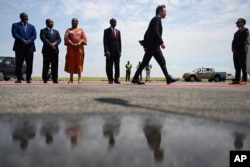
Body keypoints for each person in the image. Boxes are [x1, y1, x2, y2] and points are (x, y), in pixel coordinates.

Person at [131, 5, 178, 85]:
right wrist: (161, 42)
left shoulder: (155, 19)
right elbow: (156, 31)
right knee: (159, 61)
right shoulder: (157, 19)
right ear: (160, 11)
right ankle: (168, 78)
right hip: (154, 46)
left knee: (148, 62)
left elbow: (146, 34)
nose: (166, 13)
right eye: (165, 11)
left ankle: (135, 78)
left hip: (152, 46)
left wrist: (145, 46)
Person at [11, 12, 37, 83]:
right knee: (19, 63)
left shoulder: (32, 26)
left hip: (29, 47)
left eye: (27, 17)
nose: (26, 18)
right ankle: (19, 79)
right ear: (21, 17)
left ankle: (28, 78)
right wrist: (23, 41)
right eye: (24, 17)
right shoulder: (15, 25)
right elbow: (14, 34)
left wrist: (28, 41)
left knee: (29, 63)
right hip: (19, 47)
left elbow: (34, 36)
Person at [64, 18, 87, 84]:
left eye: (76, 21)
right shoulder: (68, 30)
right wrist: (72, 44)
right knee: (71, 62)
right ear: (71, 22)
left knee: (79, 63)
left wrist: (79, 43)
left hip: (79, 49)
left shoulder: (81, 30)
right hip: (71, 49)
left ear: (78, 22)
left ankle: (79, 78)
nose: (74, 22)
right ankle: (71, 78)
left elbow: (84, 38)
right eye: (73, 21)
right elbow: (66, 38)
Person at [40, 19, 61, 83]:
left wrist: (55, 44)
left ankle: (55, 79)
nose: (52, 23)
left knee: (55, 66)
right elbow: (43, 38)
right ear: (46, 23)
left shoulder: (56, 31)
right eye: (50, 22)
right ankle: (45, 79)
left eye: (52, 22)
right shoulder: (43, 30)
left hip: (55, 51)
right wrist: (50, 44)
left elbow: (59, 39)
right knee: (46, 65)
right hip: (47, 51)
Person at [103, 18, 122, 84]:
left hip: (117, 51)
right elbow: (105, 42)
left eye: (115, 22)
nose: (115, 23)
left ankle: (116, 79)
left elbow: (119, 42)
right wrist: (106, 51)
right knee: (109, 66)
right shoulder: (106, 31)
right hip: (109, 52)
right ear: (110, 22)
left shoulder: (118, 31)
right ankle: (110, 79)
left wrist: (120, 52)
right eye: (113, 22)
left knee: (117, 66)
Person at [231, 18, 249, 85]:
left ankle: (244, 79)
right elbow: (233, 41)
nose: (237, 23)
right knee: (237, 65)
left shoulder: (245, 31)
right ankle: (237, 79)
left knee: (243, 65)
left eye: (238, 22)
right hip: (235, 51)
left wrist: (235, 47)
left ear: (242, 23)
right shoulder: (236, 33)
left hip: (241, 51)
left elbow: (242, 41)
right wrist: (232, 48)